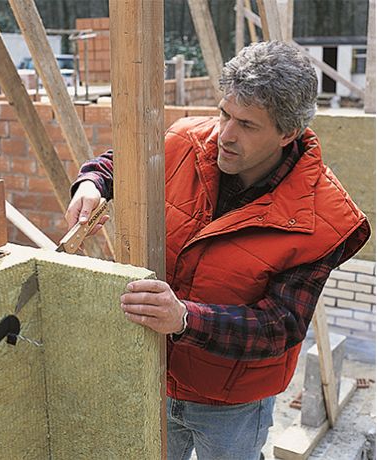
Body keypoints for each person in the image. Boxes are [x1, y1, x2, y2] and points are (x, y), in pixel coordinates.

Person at [65, 41, 370, 460]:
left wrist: (184, 318)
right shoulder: (186, 141)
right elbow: (120, 162)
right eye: (225, 113)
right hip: (153, 373)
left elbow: (279, 325)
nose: (225, 134)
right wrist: (91, 184)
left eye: (246, 124)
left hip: (233, 404)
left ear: (288, 133)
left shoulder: (323, 217)